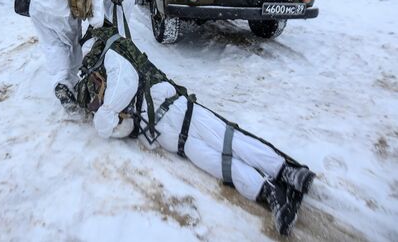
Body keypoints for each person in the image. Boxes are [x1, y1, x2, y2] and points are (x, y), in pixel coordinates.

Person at [74, 26, 316, 236]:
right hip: (166, 134)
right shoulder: (106, 88)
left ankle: (284, 170)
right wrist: (111, 120)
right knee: (218, 164)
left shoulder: (113, 58)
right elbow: (123, 126)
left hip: (175, 108)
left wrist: (104, 116)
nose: (96, 92)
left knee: (228, 140)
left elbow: (126, 83)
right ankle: (270, 192)